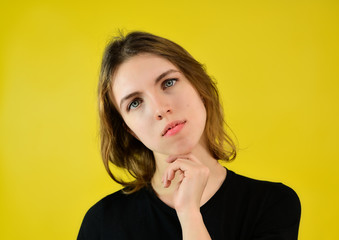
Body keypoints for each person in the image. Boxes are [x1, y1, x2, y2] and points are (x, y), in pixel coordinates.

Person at [77, 31, 301, 240]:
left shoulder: (272, 204)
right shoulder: (101, 224)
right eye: (135, 103)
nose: (160, 108)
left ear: (199, 86)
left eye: (169, 82)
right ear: (129, 129)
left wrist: (189, 214)